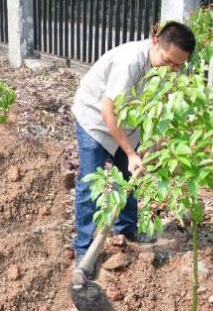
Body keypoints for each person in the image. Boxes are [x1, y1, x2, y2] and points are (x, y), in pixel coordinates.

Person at [71, 22, 196, 265]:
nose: (172, 69)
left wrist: (153, 143)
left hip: (128, 124)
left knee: (129, 177)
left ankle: (127, 229)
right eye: (168, 61)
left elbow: (161, 105)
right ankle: (83, 247)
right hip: (95, 119)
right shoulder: (130, 62)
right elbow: (108, 113)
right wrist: (130, 153)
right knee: (89, 184)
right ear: (155, 42)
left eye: (178, 65)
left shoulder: (170, 69)